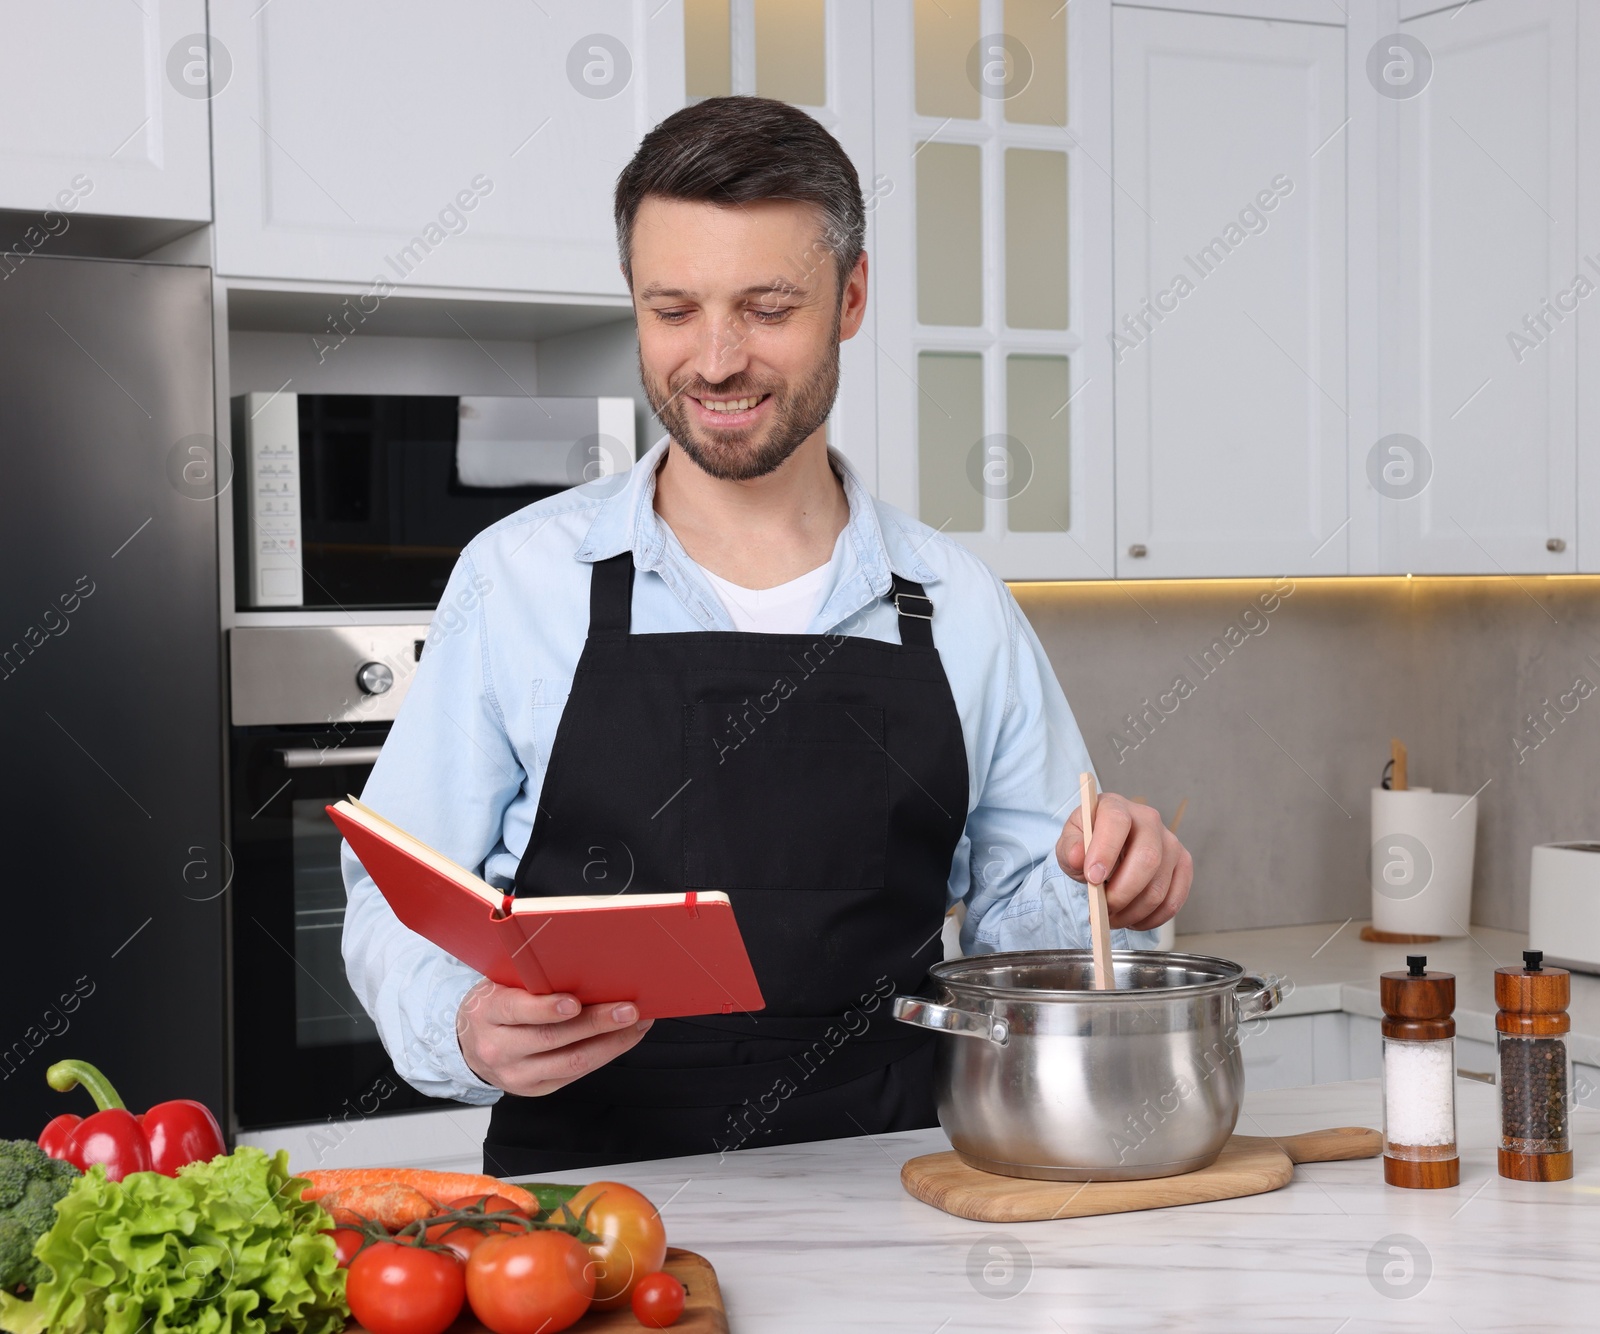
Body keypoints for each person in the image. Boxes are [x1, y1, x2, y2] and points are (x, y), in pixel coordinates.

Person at [342, 95, 1192, 1175]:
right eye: (673, 308)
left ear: (852, 296)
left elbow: (1034, 935)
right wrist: (464, 1019)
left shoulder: (958, 600)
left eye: (766, 306)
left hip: (903, 1184)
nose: (714, 359)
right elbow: (394, 891)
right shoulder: (516, 581)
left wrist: (1108, 887)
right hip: (591, 1213)